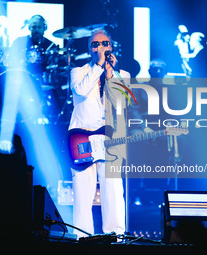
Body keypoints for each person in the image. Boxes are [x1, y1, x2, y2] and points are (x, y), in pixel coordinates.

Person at [68, 30, 129, 237]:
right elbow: (80, 91)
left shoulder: (123, 75)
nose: (100, 47)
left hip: (109, 138)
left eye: (104, 43)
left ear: (111, 47)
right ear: (89, 49)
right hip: (82, 136)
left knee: (112, 189)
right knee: (82, 191)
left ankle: (116, 235)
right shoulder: (78, 71)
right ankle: (81, 236)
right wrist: (98, 66)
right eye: (95, 44)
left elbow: (121, 102)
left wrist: (110, 72)